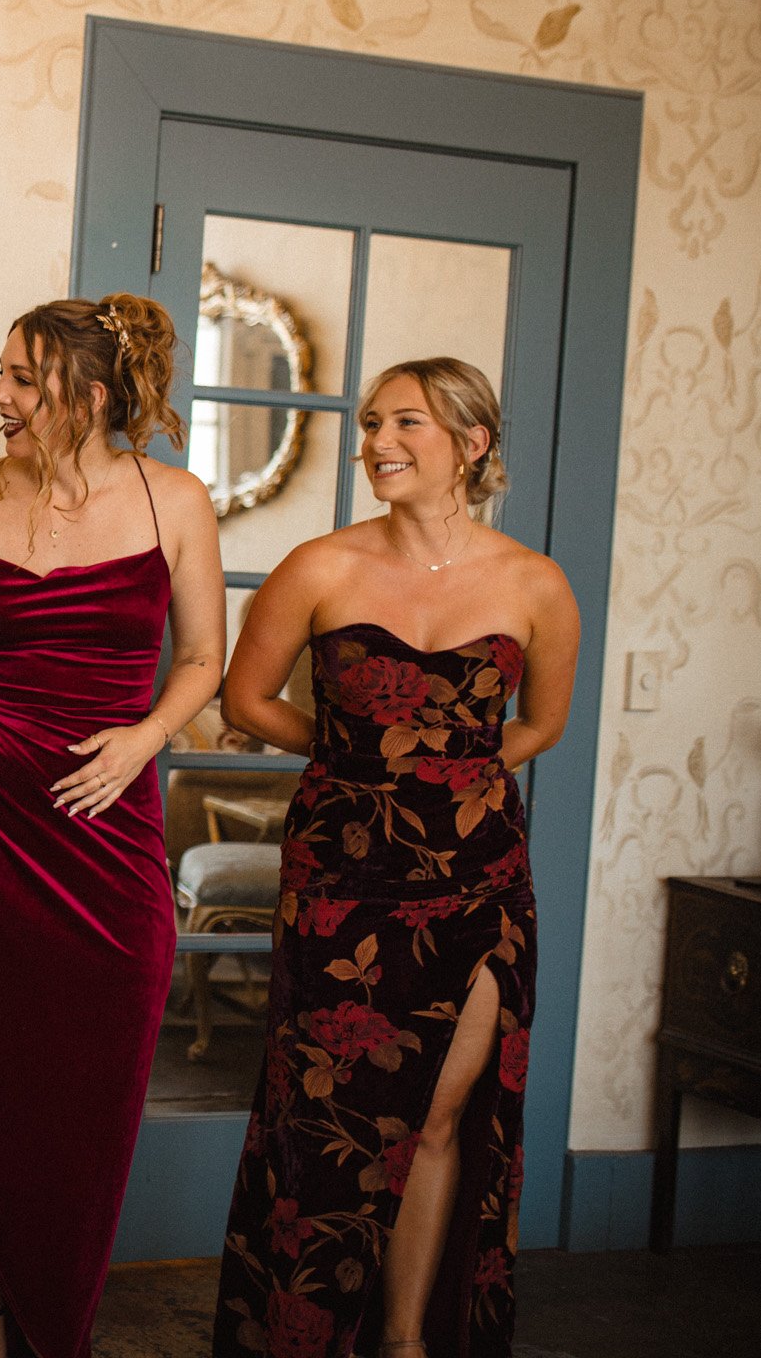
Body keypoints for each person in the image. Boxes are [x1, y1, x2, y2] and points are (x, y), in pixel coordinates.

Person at [0, 294, 225, 1358]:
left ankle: (57, 1316)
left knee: (83, 1093)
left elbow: (203, 659)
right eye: (4, 374)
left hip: (110, 829)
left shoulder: (177, 503)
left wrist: (141, 736)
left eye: (21, 378)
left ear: (90, 392)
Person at [210, 359, 576, 1358]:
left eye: (404, 423)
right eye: (372, 422)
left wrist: (446, 773)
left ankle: (408, 1340)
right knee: (323, 1128)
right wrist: (362, 759)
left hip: (481, 885)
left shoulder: (535, 582)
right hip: (340, 882)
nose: (376, 442)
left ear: (472, 442)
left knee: (446, 1113)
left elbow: (540, 721)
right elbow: (246, 700)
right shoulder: (317, 568)